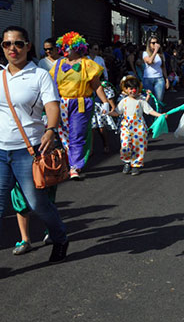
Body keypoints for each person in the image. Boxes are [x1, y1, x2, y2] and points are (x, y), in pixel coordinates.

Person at [0, 25, 69, 262]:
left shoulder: (39, 75)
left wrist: (50, 129)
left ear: (28, 46)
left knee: (37, 204)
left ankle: (60, 237)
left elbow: (52, 106)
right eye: (7, 44)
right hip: (1, 151)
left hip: (28, 151)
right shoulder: (0, 75)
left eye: (18, 43)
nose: (13, 48)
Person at [51, 31, 110, 179]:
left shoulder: (87, 64)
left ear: (77, 48)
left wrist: (105, 102)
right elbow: (51, 86)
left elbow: (96, 85)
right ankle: (68, 162)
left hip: (81, 103)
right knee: (63, 135)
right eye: (63, 46)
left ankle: (75, 166)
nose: (64, 50)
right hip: (62, 103)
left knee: (77, 133)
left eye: (68, 47)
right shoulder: (58, 64)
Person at [109, 76, 164, 176]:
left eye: (135, 88)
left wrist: (161, 115)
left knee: (139, 146)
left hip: (139, 127)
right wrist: (109, 113)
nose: (133, 91)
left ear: (138, 89)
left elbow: (149, 111)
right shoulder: (124, 101)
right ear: (125, 89)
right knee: (125, 145)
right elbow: (117, 112)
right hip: (126, 126)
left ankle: (136, 165)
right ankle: (127, 162)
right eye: (130, 88)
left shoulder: (141, 101)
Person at [91, 80, 118, 153]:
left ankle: (106, 144)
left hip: (99, 107)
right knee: (91, 129)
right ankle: (90, 148)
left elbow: (109, 98)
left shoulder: (103, 85)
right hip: (90, 106)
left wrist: (112, 107)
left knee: (101, 128)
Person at [142, 35, 169, 107]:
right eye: (153, 43)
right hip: (148, 79)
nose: (155, 44)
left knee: (159, 101)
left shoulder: (161, 54)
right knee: (149, 100)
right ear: (149, 44)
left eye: (157, 42)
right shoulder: (145, 53)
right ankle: (149, 117)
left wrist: (166, 79)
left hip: (159, 78)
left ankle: (157, 117)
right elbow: (150, 61)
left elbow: (163, 67)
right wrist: (155, 51)